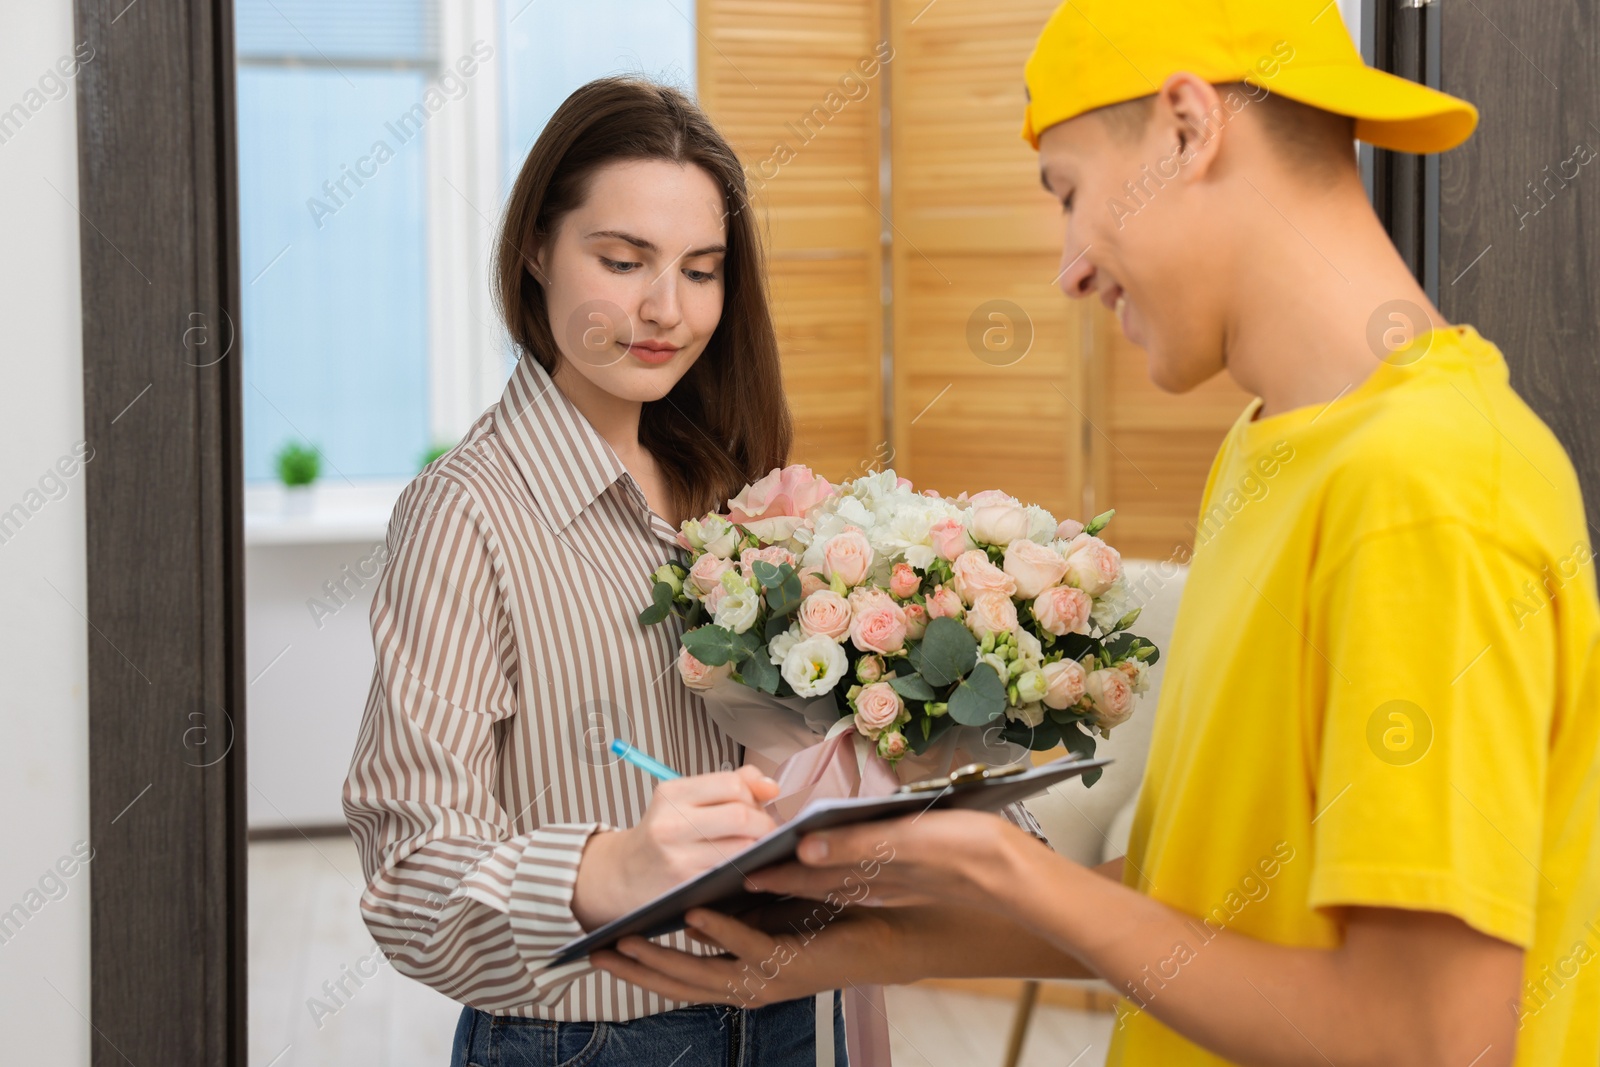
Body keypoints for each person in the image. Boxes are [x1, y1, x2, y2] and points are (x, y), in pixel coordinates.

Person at [590, 3, 1600, 1065]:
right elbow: (1200, 899)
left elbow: (1429, 1038)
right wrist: (867, 941)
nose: (1069, 268)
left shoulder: (1424, 485)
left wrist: (1006, 864)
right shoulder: (1272, 451)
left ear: (1184, 128)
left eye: (1068, 193)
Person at [342, 76, 840, 1066]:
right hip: (591, 1039)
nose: (665, 309)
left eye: (702, 270)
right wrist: (608, 866)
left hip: (785, 1011)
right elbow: (408, 874)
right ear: (534, 248)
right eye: (622, 260)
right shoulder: (466, 512)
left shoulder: (737, 490)